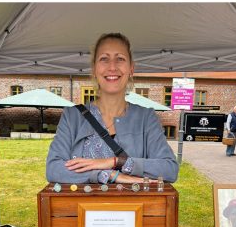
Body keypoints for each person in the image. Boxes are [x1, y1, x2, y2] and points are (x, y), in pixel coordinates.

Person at [46, 32, 178, 184]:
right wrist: (109, 175)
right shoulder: (72, 116)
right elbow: (53, 169)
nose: (112, 67)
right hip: (82, 208)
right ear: (94, 69)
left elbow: (169, 169)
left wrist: (116, 162)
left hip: (135, 208)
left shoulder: (146, 118)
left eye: (120, 59)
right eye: (104, 59)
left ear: (131, 69)